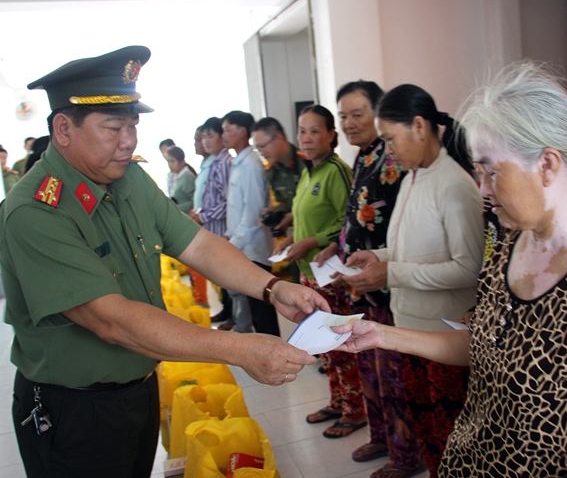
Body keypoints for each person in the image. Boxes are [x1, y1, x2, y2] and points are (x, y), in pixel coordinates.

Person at [1, 46, 327, 478]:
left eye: (133, 124)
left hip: (138, 388)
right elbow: (112, 320)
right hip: (74, 409)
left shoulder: (128, 177)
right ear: (63, 129)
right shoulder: (37, 212)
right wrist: (241, 348)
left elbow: (198, 245)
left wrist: (273, 287)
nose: (129, 140)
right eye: (114, 126)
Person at [334, 62, 567, 478]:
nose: (483, 189)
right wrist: (383, 335)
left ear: (546, 165)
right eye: (479, 172)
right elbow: (484, 345)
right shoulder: (513, 241)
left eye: (492, 172)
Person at [341, 84, 484, 474]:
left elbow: (469, 268)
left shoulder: (455, 186)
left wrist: (393, 271)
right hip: (412, 328)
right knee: (425, 426)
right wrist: (379, 256)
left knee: (451, 437)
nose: (389, 149)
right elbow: (410, 248)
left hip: (443, 338)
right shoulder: (412, 177)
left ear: (419, 126)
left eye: (391, 138)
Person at [313, 80, 424, 477]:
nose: (348, 123)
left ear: (378, 116)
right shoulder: (362, 158)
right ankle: (381, 435)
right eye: (343, 115)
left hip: (387, 284)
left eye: (357, 114)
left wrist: (380, 269)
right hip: (359, 281)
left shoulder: (395, 160)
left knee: (394, 373)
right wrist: (338, 251)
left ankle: (406, 455)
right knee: (370, 368)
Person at [274, 105, 366, 438]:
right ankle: (338, 401)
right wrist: (290, 239)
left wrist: (312, 240)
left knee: (339, 341)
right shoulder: (308, 171)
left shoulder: (336, 170)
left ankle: (355, 410)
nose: (307, 138)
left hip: (330, 271)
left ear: (331, 135)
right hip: (307, 271)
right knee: (322, 344)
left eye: (315, 131)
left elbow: (348, 220)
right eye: (302, 131)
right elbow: (305, 216)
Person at [221, 110, 280, 336]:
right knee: (255, 308)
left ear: (242, 131)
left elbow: (253, 213)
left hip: (253, 248)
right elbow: (235, 207)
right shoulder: (239, 163)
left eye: (227, 129)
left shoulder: (252, 165)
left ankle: (275, 354)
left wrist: (233, 242)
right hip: (242, 246)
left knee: (262, 310)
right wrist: (229, 236)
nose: (223, 134)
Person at [252, 116, 307, 284]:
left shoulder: (306, 161)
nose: (261, 152)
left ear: (279, 138)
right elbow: (285, 201)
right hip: (297, 239)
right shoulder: (271, 170)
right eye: (257, 148)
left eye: (263, 146)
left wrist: (292, 215)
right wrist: (273, 211)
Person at [188, 118, 232, 314]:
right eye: (203, 137)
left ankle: (232, 314)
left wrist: (203, 216)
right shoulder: (214, 161)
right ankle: (227, 311)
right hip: (211, 225)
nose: (205, 141)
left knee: (227, 273)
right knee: (220, 274)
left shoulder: (223, 163)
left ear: (222, 137)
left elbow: (225, 202)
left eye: (210, 136)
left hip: (220, 227)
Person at [164, 146, 196, 213]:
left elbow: (194, 202)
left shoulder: (187, 177)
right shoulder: (174, 175)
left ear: (182, 162)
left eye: (172, 161)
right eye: (168, 161)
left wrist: (175, 208)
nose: (170, 164)